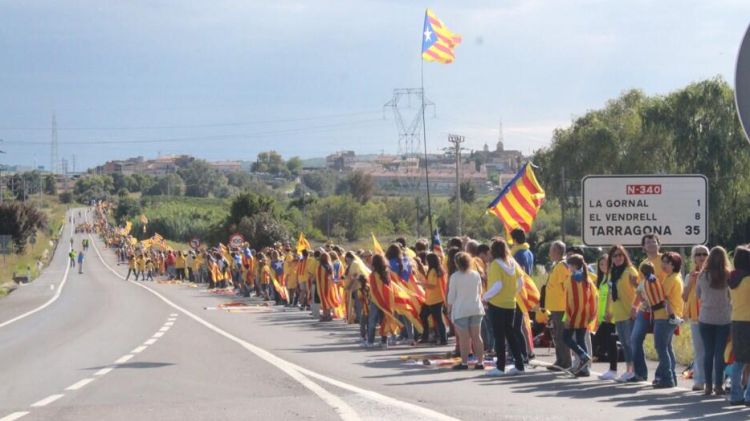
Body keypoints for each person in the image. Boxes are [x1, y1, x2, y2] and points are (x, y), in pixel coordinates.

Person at [482, 239, 526, 376]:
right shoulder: (512, 262)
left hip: (497, 304)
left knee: (499, 336)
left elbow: (497, 285)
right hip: (511, 303)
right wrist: (512, 293)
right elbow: (520, 281)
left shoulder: (495, 264)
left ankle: (500, 367)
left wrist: (485, 297)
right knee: (511, 335)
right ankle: (519, 365)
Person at [696, 246, 732, 396]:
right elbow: (731, 296)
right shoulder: (728, 275)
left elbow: (698, 295)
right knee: (720, 353)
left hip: (705, 317)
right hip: (723, 318)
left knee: (708, 352)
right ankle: (719, 385)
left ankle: (708, 386)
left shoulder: (703, 275)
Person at [630, 233, 665, 383]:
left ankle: (662, 375)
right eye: (648, 242)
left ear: (659, 244)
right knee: (635, 339)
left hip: (661, 308)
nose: (651, 244)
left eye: (653, 241)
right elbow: (641, 288)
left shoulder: (665, 260)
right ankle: (640, 373)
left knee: (662, 344)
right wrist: (634, 306)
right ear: (643, 247)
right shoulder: (643, 264)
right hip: (645, 308)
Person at [603, 245, 639, 382]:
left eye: (620, 255)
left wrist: (635, 308)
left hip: (630, 311)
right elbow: (612, 293)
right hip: (618, 312)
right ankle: (629, 369)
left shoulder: (630, 271)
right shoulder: (613, 273)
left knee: (631, 343)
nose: (618, 258)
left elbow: (639, 290)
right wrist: (609, 311)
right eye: (615, 256)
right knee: (624, 343)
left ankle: (633, 370)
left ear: (624, 256)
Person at [446, 252, 485, 370]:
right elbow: (480, 291)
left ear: (457, 263)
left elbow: (451, 296)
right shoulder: (476, 274)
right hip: (475, 308)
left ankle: (464, 363)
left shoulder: (454, 277)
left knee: (464, 338)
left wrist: (449, 310)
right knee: (477, 336)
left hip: (461, 310)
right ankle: (480, 362)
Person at [651, 252, 684, 388]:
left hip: (665, 317)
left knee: (661, 347)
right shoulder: (672, 277)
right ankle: (671, 377)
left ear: (674, 264)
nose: (663, 265)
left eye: (666, 262)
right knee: (667, 347)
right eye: (662, 262)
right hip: (668, 317)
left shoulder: (672, 279)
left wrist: (650, 303)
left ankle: (667, 378)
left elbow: (662, 299)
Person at [562, 254, 597, 376]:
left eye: (569, 265)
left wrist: (568, 316)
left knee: (566, 337)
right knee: (581, 339)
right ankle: (584, 369)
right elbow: (594, 296)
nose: (568, 268)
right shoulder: (587, 277)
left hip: (574, 314)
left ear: (574, 265)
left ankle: (583, 356)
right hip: (585, 313)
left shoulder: (573, 278)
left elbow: (570, 299)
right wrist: (592, 313)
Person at [682, 245, 709, 391]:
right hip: (695, 318)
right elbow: (684, 297)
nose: (701, 257)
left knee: (713, 351)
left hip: (712, 316)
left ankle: (715, 381)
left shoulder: (713, 273)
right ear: (693, 258)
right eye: (698, 254)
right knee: (699, 350)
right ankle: (699, 381)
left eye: (704, 254)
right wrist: (691, 282)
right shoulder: (689, 276)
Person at [545, 240, 572, 370]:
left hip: (561, 307)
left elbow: (565, 287)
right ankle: (560, 360)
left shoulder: (561, 266)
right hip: (555, 306)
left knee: (561, 335)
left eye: (551, 249)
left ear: (557, 252)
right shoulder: (557, 265)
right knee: (557, 334)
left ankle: (565, 362)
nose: (549, 252)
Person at [728, 246, 750, 406]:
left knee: (739, 360)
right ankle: (749, 396)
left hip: (737, 321)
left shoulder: (733, 279)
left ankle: (735, 395)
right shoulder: (748, 280)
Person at [592, 254, 617, 380]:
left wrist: (610, 312)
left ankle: (613, 370)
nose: (603, 266)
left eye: (606, 264)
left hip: (611, 316)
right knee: (603, 342)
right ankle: (611, 369)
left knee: (607, 342)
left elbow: (612, 297)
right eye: (601, 264)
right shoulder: (602, 279)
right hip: (603, 317)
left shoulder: (612, 277)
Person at [419, 252, 447, 345]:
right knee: (423, 315)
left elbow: (432, 285)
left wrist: (421, 283)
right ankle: (426, 337)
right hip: (431, 300)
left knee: (438, 320)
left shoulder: (433, 271)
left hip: (435, 300)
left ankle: (443, 339)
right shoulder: (437, 270)